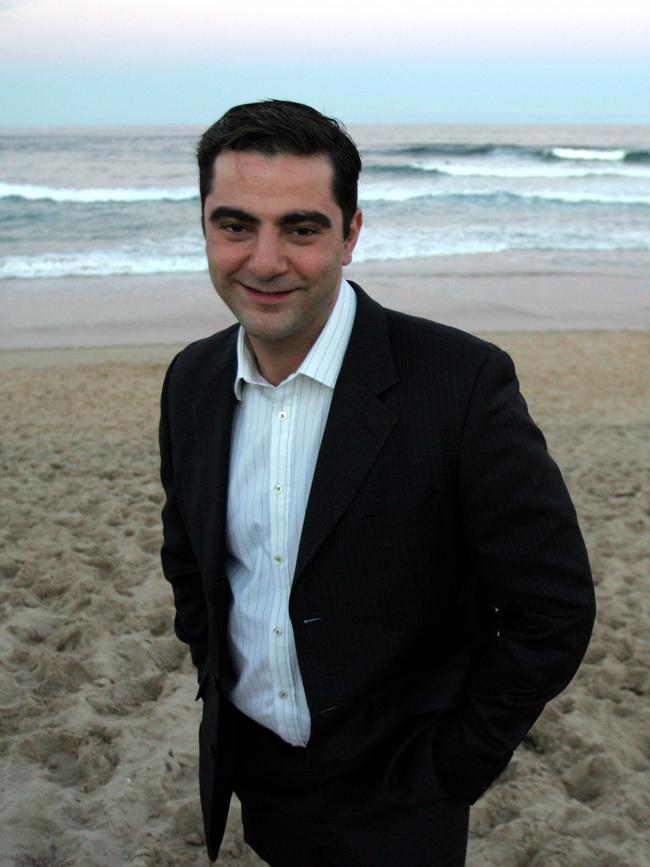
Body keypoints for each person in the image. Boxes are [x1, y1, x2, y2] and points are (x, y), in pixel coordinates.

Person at [159, 99, 595, 866]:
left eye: (301, 227)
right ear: (203, 226)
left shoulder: (459, 384)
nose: (264, 261)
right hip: (257, 772)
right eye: (235, 226)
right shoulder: (191, 381)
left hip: (401, 791)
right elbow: (190, 562)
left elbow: (552, 606)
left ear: (351, 233)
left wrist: (454, 762)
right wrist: (218, 677)